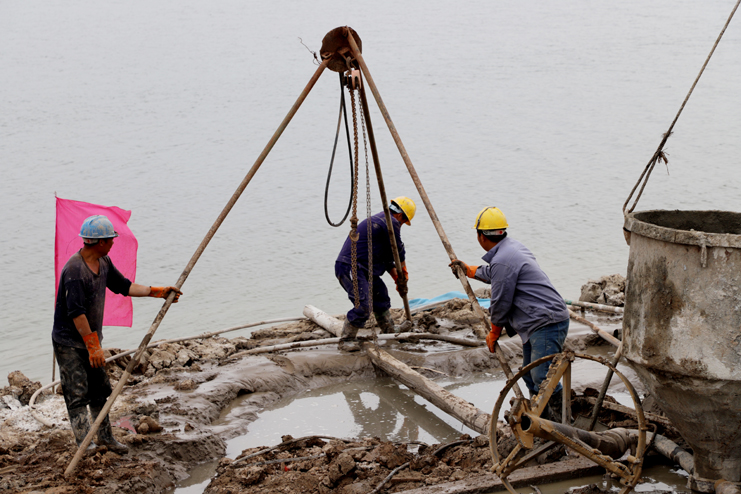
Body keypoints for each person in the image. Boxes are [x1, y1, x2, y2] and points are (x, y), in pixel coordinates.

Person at [53, 215, 182, 453]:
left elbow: (124, 286)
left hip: (91, 340)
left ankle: (105, 438)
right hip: (69, 342)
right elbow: (76, 313)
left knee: (100, 390)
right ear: (100, 242)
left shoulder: (103, 262)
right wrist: (93, 347)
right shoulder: (74, 270)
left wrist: (158, 292)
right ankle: (85, 445)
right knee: (77, 393)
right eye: (110, 239)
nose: (113, 243)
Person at [449, 207, 569, 418]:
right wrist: (469, 270)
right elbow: (495, 273)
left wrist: (494, 332)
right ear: (502, 231)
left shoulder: (503, 259)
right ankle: (542, 420)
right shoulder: (511, 248)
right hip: (537, 322)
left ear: (480, 236)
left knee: (542, 377)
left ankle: (564, 422)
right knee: (530, 376)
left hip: (546, 321)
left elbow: (500, 302)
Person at [335, 196, 416, 352]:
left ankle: (389, 329)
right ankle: (346, 339)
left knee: (380, 296)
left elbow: (388, 259)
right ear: (401, 215)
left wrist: (398, 279)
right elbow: (398, 251)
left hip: (365, 269)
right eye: (404, 222)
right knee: (363, 305)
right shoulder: (390, 222)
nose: (401, 225)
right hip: (351, 266)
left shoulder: (382, 224)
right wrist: (404, 272)